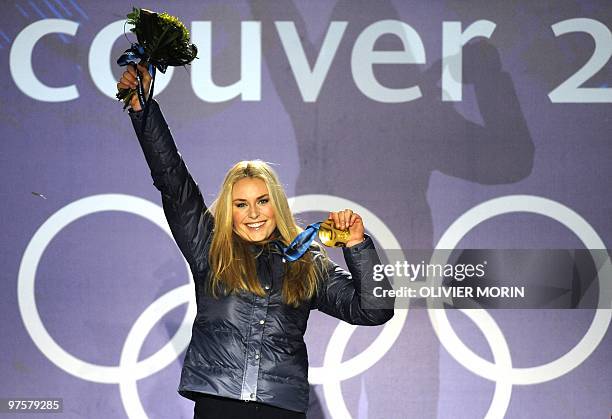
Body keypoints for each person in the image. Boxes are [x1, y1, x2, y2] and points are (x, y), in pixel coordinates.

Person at [118, 64, 395, 419]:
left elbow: (374, 310)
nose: (253, 214)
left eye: (262, 201)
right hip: (218, 405)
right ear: (230, 211)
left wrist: (358, 247)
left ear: (276, 204)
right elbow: (172, 179)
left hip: (280, 408)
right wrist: (144, 111)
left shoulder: (306, 261)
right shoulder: (209, 247)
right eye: (241, 204)